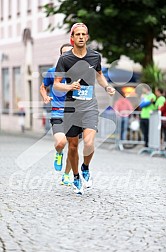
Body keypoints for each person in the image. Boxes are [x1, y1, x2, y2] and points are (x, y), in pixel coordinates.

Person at [54, 23, 115, 194]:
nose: (81, 37)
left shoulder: (95, 57)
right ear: (72, 38)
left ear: (87, 37)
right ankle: (75, 177)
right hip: (71, 108)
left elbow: (99, 75)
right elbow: (57, 85)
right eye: (77, 34)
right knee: (73, 146)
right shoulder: (65, 59)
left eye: (84, 34)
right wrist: (69, 87)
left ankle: (85, 167)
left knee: (88, 142)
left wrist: (107, 87)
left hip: (89, 106)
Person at [40, 43, 74, 186]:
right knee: (61, 142)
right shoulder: (52, 72)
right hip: (58, 112)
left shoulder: (79, 73)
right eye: (64, 54)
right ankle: (59, 153)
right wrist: (45, 97)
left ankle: (66, 175)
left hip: (75, 114)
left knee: (73, 148)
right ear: (60, 56)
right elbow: (43, 87)